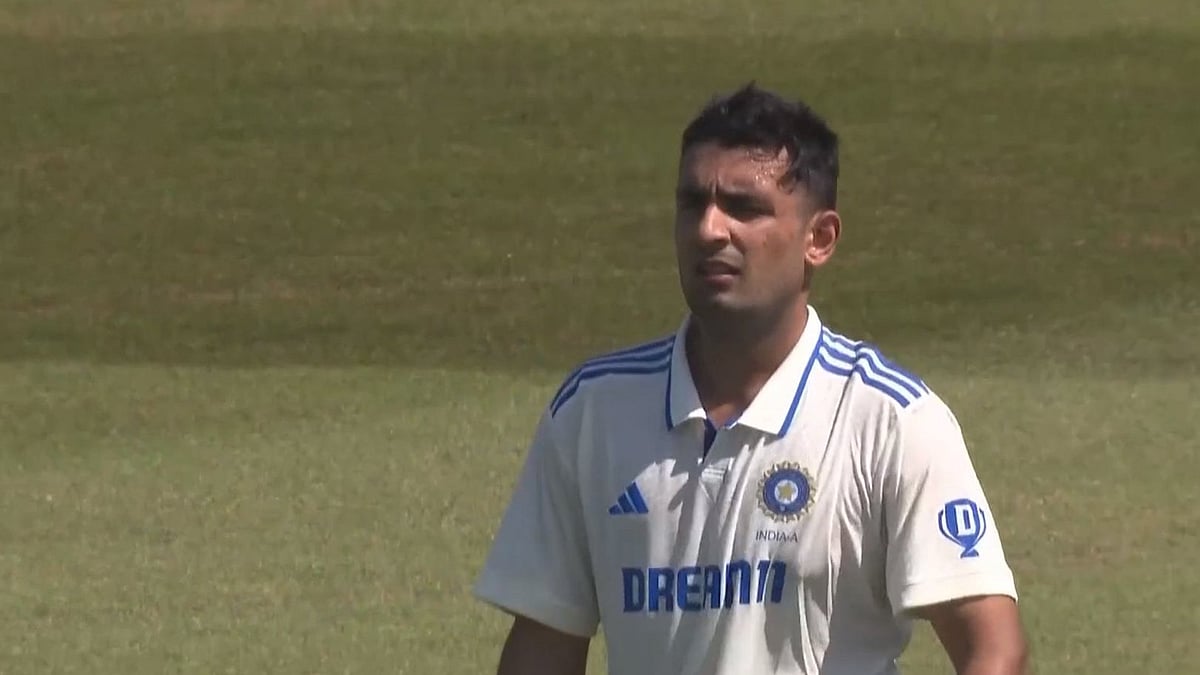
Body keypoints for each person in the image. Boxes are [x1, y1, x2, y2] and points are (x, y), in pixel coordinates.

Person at [473, 82, 1028, 675]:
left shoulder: (888, 419)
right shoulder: (594, 409)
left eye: (744, 207)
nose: (710, 229)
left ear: (820, 239)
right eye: (693, 203)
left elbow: (994, 648)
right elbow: (543, 645)